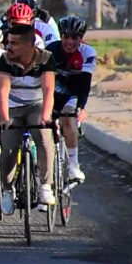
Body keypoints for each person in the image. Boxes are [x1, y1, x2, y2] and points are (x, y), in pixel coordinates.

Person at [0, 23, 57, 215]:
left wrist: (46, 118)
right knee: (9, 147)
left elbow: (48, 91)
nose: (9, 47)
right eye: (8, 42)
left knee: (43, 135)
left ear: (28, 45)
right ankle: (7, 190)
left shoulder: (46, 58)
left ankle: (45, 186)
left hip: (36, 105)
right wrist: (5, 119)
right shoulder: (5, 60)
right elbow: (3, 92)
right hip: (13, 108)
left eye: (14, 43)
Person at [46, 16, 95, 184]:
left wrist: (81, 107)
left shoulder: (87, 52)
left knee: (68, 119)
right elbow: (44, 80)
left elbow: (85, 82)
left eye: (74, 38)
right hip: (52, 92)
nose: (69, 42)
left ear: (81, 38)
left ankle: (73, 165)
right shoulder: (50, 50)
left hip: (73, 93)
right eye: (66, 37)